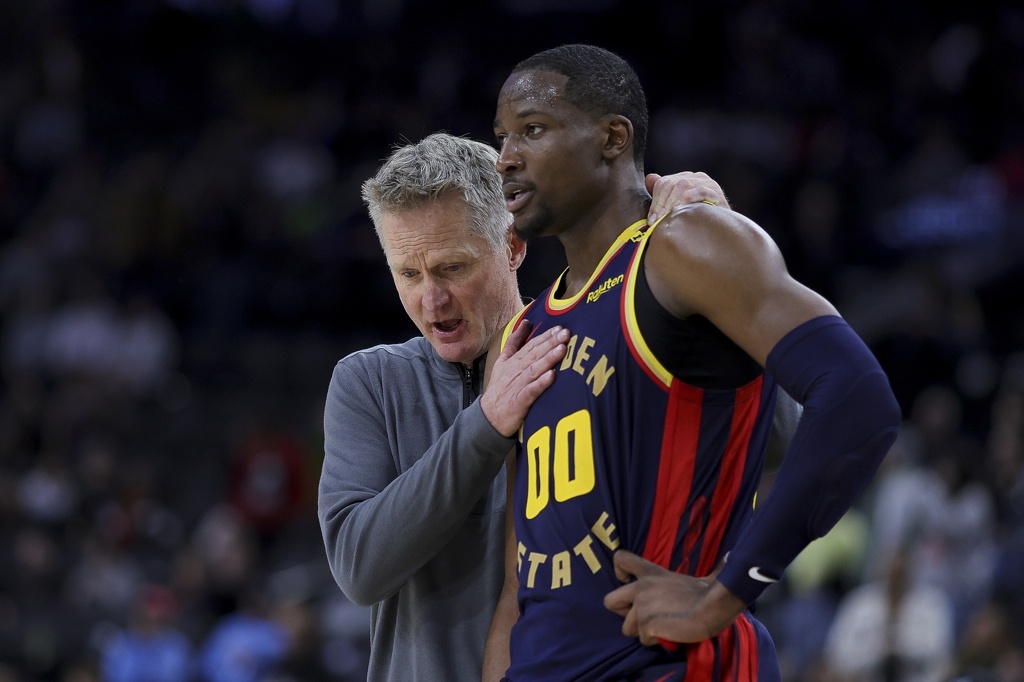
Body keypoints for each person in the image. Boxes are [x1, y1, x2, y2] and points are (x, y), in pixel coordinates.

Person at [483, 44, 901, 681]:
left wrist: (729, 588)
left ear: (613, 138)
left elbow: (856, 396)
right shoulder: (525, 330)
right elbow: (521, 586)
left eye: (532, 130)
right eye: (502, 137)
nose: (506, 157)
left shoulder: (683, 246)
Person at [317, 132, 734, 682]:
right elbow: (360, 569)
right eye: (408, 274)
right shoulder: (369, 381)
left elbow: (773, 439)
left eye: (452, 268)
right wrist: (487, 423)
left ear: (513, 246)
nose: (431, 300)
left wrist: (718, 266)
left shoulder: (593, 350)